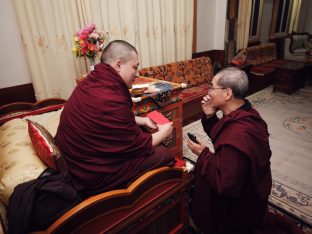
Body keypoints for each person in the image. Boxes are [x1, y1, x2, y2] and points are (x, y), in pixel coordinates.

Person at [55, 40, 175, 197]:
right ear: (118, 65)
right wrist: (163, 133)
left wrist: (141, 120)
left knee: (142, 129)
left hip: (77, 158)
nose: (138, 73)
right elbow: (137, 146)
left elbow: (107, 119)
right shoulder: (109, 97)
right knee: (164, 154)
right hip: (90, 174)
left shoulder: (90, 81)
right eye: (135, 67)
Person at [188, 67, 272, 233]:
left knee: (202, 177)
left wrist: (203, 155)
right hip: (253, 190)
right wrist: (210, 116)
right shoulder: (247, 112)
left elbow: (226, 185)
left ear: (227, 93)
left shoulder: (239, 131)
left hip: (238, 211)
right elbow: (223, 138)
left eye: (212, 87)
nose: (209, 92)